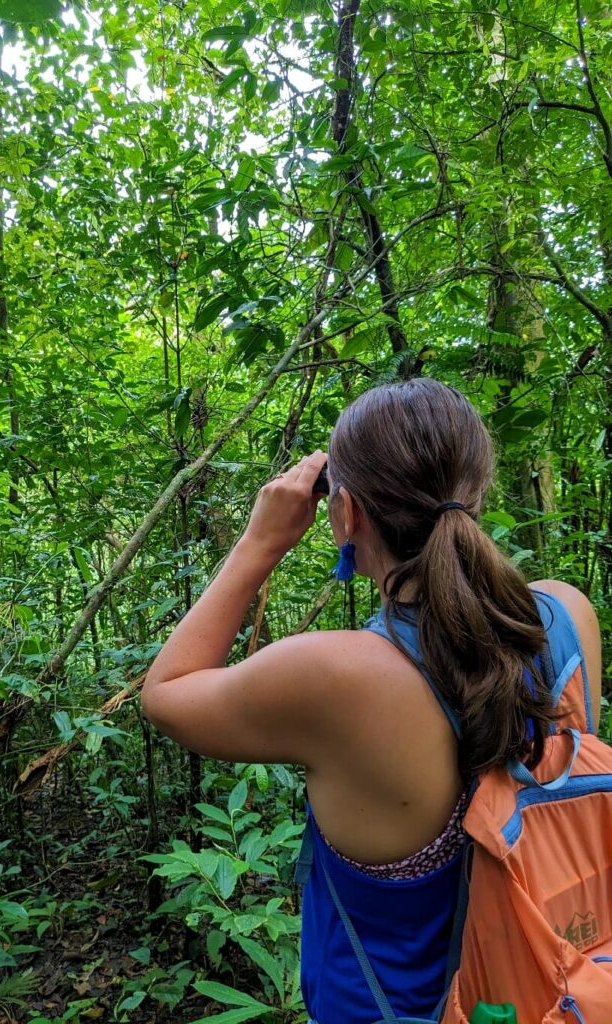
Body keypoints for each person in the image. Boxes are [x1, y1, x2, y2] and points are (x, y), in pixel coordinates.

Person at [141, 378, 602, 1023]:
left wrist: (260, 541)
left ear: (345, 512)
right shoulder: (565, 619)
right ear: (477, 491)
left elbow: (164, 694)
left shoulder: (338, 677)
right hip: (547, 992)